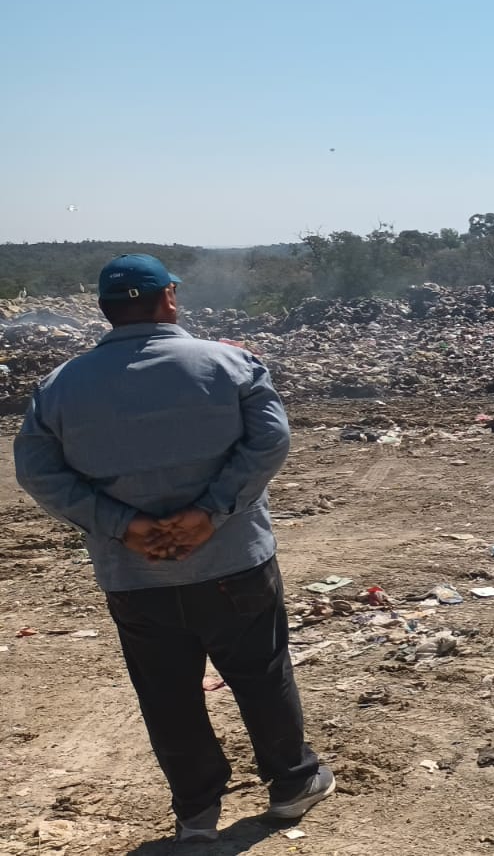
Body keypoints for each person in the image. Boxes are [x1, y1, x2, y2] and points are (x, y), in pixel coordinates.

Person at [13, 254, 333, 843]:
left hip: (134, 575)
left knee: (166, 693)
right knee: (261, 674)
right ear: (169, 298)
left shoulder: (58, 387)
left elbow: (37, 473)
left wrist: (124, 526)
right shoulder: (232, 363)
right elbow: (271, 441)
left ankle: (195, 814)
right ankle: (291, 786)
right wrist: (209, 514)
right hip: (233, 563)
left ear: (106, 310)